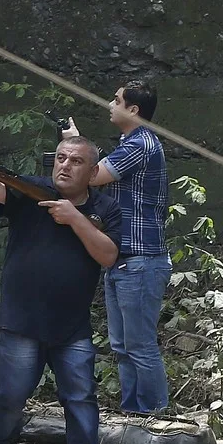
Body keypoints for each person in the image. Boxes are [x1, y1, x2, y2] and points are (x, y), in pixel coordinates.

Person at [0, 136, 123, 444]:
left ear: (93, 173)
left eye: (76, 161)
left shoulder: (105, 208)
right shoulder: (32, 191)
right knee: (12, 394)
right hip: (22, 319)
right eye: (61, 158)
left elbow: (108, 255)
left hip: (72, 325)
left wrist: (74, 219)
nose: (65, 165)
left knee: (81, 397)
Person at [62, 80, 171, 415]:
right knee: (123, 347)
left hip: (141, 260)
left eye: (117, 100)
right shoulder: (131, 143)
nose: (110, 105)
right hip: (123, 260)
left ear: (133, 110)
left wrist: (75, 145)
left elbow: (93, 176)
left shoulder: (140, 143)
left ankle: (155, 419)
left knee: (139, 346)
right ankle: (133, 416)